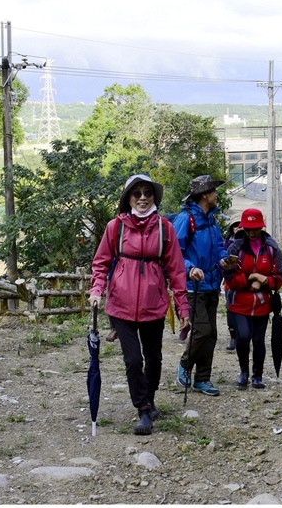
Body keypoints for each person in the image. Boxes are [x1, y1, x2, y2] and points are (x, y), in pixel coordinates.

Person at [89, 174, 190, 436]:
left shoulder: (165, 228)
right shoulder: (116, 227)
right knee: (133, 360)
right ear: (128, 199)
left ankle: (150, 396)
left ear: (154, 197)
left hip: (154, 303)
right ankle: (143, 409)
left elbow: (177, 271)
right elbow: (100, 263)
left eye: (147, 192)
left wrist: (183, 310)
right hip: (121, 305)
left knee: (154, 359)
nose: (143, 198)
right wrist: (96, 290)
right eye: (137, 194)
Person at [175, 175, 232, 397]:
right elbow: (175, 253)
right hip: (192, 286)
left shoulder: (211, 221)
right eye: (214, 192)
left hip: (211, 285)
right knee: (201, 330)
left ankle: (202, 379)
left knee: (211, 334)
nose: (217, 195)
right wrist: (190, 268)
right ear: (205, 195)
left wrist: (225, 258)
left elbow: (219, 247)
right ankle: (185, 365)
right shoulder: (185, 219)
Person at [223, 208, 282, 389]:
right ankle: (244, 371)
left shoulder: (272, 248)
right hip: (238, 303)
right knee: (243, 337)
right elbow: (229, 278)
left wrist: (264, 281)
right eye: (247, 228)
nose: (251, 232)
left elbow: (279, 277)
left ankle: (257, 375)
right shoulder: (235, 248)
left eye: (255, 228)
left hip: (262, 305)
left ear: (261, 227)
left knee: (258, 340)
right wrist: (251, 277)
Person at [222, 220, 242, 351]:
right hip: (230, 281)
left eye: (240, 226)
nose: (237, 228)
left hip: (246, 282)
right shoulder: (227, 243)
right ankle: (233, 337)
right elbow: (222, 262)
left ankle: (243, 336)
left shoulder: (253, 244)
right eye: (235, 226)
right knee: (230, 309)